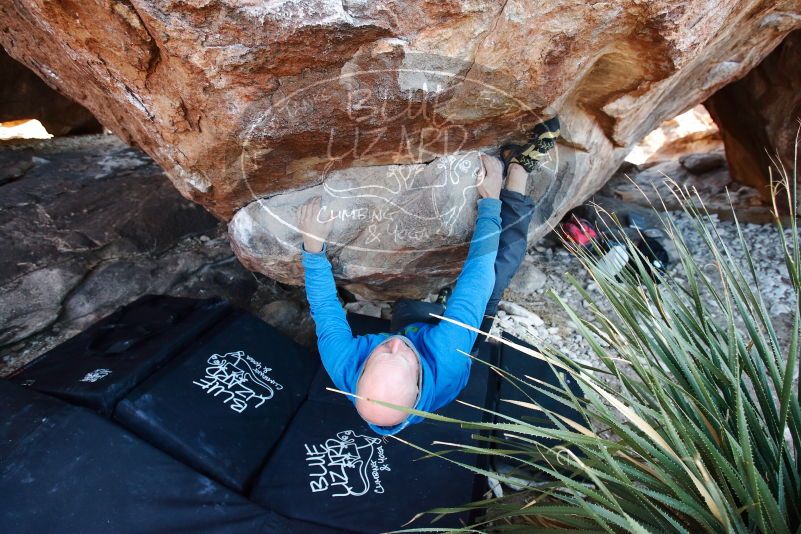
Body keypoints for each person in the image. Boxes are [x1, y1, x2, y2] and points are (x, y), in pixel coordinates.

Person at [297, 118, 560, 436]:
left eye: (379, 355)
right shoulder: (448, 355)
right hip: (448, 344)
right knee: (501, 266)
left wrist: (313, 249)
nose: (393, 345)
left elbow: (325, 307)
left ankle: (430, 312)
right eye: (403, 358)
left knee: (408, 317)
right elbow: (478, 275)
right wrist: (490, 200)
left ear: (358, 376)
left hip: (413, 324)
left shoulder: (343, 363)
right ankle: (519, 169)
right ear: (420, 379)